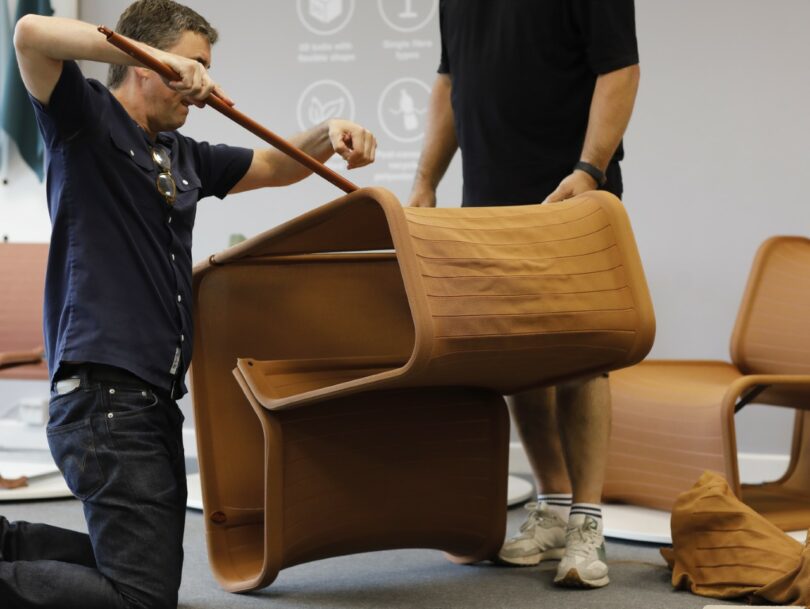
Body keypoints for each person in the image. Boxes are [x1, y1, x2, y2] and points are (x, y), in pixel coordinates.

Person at [2, 1, 376, 608]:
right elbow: (29, 34)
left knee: (132, 569)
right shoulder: (84, 121)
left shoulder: (182, 154)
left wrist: (328, 132)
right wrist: (156, 55)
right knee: (142, 597)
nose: (201, 83)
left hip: (149, 400)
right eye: (191, 65)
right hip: (105, 397)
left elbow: (276, 165)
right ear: (145, 63)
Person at [408, 0, 639, 589]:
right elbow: (450, 83)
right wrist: (426, 179)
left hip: (573, 192)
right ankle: (554, 504)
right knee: (520, 356)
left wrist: (589, 170)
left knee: (584, 356)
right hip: (490, 197)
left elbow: (620, 69)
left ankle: (587, 522)